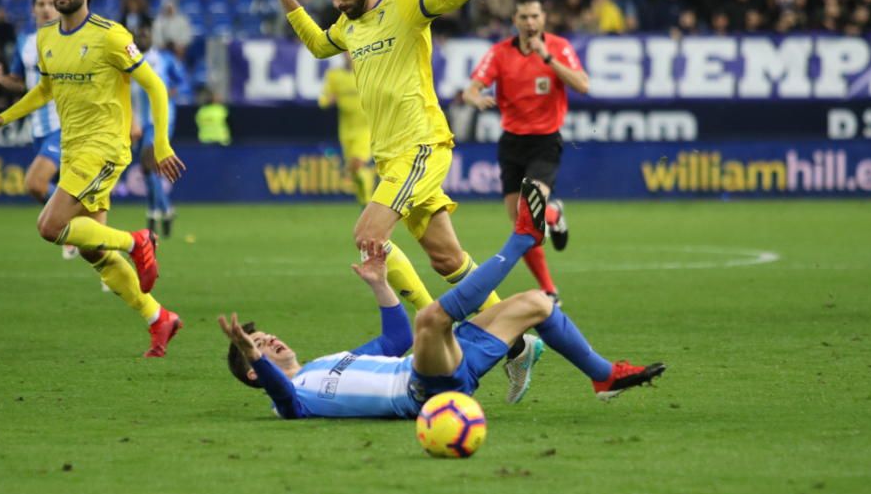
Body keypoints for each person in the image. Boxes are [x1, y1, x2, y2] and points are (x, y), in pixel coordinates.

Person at [274, 0, 535, 403]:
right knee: (445, 258)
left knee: (368, 236)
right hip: (390, 157)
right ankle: (516, 340)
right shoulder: (349, 26)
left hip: (421, 146)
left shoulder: (406, 2)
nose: (335, 0)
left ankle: (429, 334)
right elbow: (319, 43)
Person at [220, 178, 666, 418]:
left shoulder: (327, 362)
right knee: (431, 318)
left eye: (266, 338)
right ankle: (521, 241)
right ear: (256, 375)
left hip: (446, 366)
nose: (271, 341)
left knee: (537, 304)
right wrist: (248, 352)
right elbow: (280, 395)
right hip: (423, 392)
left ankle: (604, 376)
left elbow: (393, 342)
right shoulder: (293, 399)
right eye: (260, 347)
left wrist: (380, 284)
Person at [0, 0, 187, 358]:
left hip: (105, 147)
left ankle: (138, 239)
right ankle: (158, 317)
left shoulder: (110, 36)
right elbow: (43, 91)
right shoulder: (46, 38)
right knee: (93, 251)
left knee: (50, 226)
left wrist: (161, 146)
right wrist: (0, 118)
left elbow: (155, 86)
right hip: (74, 151)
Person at [463, 0, 590, 302]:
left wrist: (547, 59)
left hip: (545, 141)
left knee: (527, 210)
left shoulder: (558, 48)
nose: (530, 22)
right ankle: (550, 277)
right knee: (520, 223)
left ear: (543, 18)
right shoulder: (499, 53)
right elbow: (471, 89)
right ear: (515, 21)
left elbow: (583, 85)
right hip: (512, 142)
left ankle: (548, 285)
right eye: (524, 17)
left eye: (535, 16)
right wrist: (476, 98)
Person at [0, 0, 80, 259]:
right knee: (72, 193)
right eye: (40, 4)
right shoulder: (25, 43)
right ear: (32, 9)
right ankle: (88, 233)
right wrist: (2, 80)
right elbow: (23, 82)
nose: (46, 8)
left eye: (50, 3)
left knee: (35, 184)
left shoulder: (71, 37)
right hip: (38, 128)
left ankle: (72, 224)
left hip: (64, 125)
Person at [131, 24, 187, 237]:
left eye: (146, 33)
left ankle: (154, 212)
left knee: (149, 165)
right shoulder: (127, 60)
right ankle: (166, 210)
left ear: (152, 37)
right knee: (147, 170)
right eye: (139, 33)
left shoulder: (164, 59)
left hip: (159, 122)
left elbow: (183, 82)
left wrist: (173, 91)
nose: (143, 36)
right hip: (137, 122)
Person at [318, 52, 375, 205]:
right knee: (354, 171)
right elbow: (322, 101)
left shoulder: (367, 74)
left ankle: (369, 200)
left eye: (351, 51)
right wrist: (330, 99)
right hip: (346, 130)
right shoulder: (334, 76)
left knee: (357, 164)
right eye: (345, 51)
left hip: (365, 129)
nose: (348, 54)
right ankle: (364, 202)